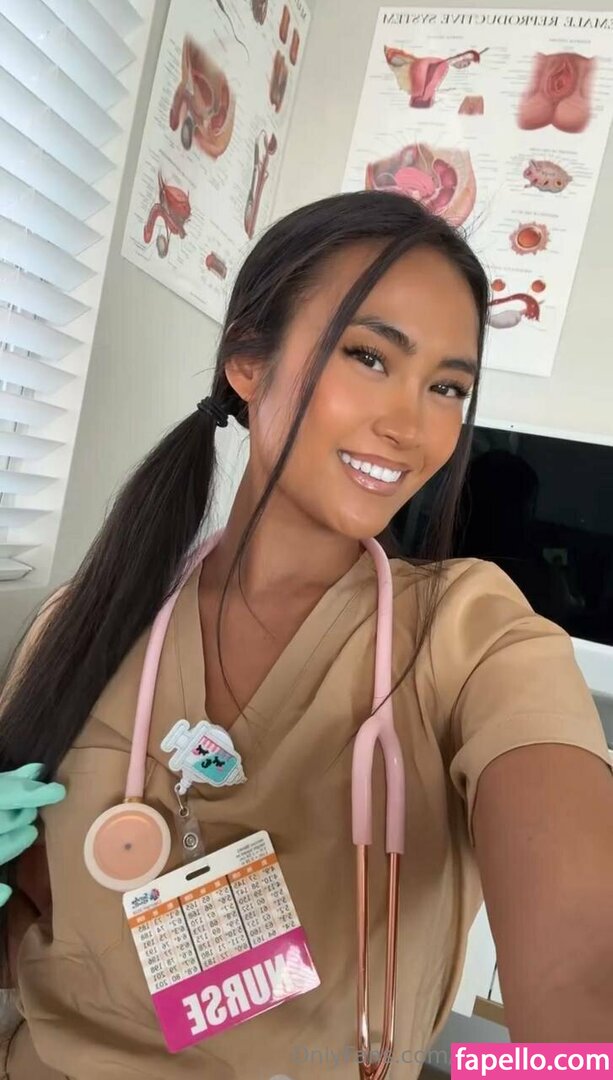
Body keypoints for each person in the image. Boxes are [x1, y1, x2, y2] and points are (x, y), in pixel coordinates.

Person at [0, 191, 612, 1079]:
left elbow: (581, 965)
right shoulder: (86, 623)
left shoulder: (472, 636)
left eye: (447, 387)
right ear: (247, 362)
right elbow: (34, 933)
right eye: (368, 356)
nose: (410, 425)